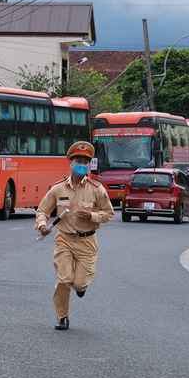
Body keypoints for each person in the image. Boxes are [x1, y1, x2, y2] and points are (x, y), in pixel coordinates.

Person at [35, 141, 115, 331]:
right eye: (78, 160)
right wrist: (42, 224)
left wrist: (92, 216)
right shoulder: (58, 188)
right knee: (64, 280)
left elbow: (109, 213)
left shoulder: (97, 189)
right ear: (70, 162)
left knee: (78, 284)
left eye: (86, 162)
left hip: (87, 241)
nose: (82, 165)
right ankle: (62, 317)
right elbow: (42, 210)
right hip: (64, 239)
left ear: (89, 165)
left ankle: (81, 288)